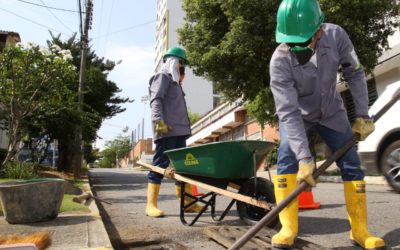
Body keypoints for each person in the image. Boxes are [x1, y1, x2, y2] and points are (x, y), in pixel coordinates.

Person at [269, 0, 384, 249]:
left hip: (331, 112)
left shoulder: (336, 35)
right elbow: (287, 112)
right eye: (291, 42)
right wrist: (304, 158)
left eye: (302, 41)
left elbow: (354, 71)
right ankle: (288, 227)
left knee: (351, 163)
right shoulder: (279, 62)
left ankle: (360, 231)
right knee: (287, 158)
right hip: (298, 116)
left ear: (319, 30)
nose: (296, 47)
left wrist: (363, 114)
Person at [146, 46, 203, 217]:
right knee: (159, 165)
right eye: (181, 63)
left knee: (183, 167)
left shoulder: (176, 82)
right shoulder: (162, 77)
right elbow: (156, 101)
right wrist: (159, 124)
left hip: (179, 132)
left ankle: (187, 204)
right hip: (167, 130)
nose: (181, 67)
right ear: (174, 62)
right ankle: (150, 205)